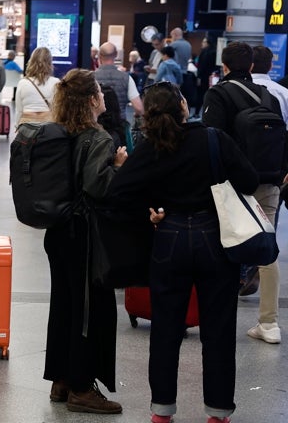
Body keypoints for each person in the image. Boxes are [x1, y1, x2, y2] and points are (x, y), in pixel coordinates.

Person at [106, 81, 256, 423]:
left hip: (169, 238)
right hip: (214, 238)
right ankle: (217, 412)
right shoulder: (214, 139)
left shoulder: (150, 147)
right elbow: (248, 180)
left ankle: (162, 410)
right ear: (184, 106)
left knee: (166, 328)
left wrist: (152, 210)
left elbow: (118, 193)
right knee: (218, 327)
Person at [42, 69, 127, 414]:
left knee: (65, 305)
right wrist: (118, 166)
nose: (104, 97)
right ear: (92, 100)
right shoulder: (98, 138)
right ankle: (81, 387)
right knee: (91, 310)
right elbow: (97, 186)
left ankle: (61, 379)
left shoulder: (59, 133)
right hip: (85, 235)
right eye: (100, 93)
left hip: (58, 230)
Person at [201, 41, 282, 345]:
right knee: (267, 247)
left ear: (223, 66)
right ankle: (269, 323)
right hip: (268, 179)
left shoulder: (218, 94)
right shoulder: (268, 96)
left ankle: (219, 317)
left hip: (231, 184)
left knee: (225, 243)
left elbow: (212, 138)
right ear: (251, 67)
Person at [95, 42, 144, 125]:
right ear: (116, 55)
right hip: (119, 126)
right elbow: (139, 108)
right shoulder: (126, 78)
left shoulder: (91, 78)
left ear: (99, 56)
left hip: (97, 128)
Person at [15, 47, 60, 124]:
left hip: (27, 127)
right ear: (50, 63)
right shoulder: (56, 82)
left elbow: (19, 110)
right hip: (49, 126)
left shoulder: (23, 83)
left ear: (31, 61)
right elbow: (58, 109)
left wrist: (17, 126)